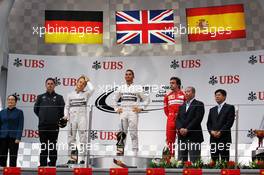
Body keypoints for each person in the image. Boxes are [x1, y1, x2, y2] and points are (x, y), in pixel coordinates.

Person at [113, 69, 150, 155]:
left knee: (133, 133)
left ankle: (135, 153)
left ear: (133, 77)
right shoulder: (121, 87)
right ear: (124, 76)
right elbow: (114, 99)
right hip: (123, 112)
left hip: (133, 112)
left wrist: (141, 108)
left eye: (130, 74)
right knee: (122, 133)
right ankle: (120, 152)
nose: (128, 76)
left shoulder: (138, 87)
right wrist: (116, 109)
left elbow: (147, 99)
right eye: (126, 74)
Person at [34, 78, 65, 167]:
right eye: (48, 83)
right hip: (42, 126)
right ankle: (43, 164)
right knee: (43, 145)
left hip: (54, 126)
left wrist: (55, 119)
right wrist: (43, 118)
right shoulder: (40, 97)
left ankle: (52, 163)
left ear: (54, 85)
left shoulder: (59, 97)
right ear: (45, 85)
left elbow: (62, 111)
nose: (50, 85)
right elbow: (36, 110)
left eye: (52, 83)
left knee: (52, 145)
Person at [64, 75, 94, 164]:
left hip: (82, 119)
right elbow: (66, 107)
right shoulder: (70, 95)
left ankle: (82, 159)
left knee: (83, 139)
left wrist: (88, 81)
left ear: (84, 86)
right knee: (71, 139)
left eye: (83, 83)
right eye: (80, 82)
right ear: (76, 83)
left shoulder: (86, 94)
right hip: (72, 119)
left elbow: (92, 89)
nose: (81, 84)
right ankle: (72, 158)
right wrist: (66, 116)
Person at [176, 86, 205, 162]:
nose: (186, 93)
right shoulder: (181, 106)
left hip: (194, 136)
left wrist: (187, 129)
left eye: (188, 91)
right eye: (185, 92)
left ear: (194, 93)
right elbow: (177, 119)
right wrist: (180, 129)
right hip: (182, 136)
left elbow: (198, 119)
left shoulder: (199, 104)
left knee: (194, 161)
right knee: (181, 161)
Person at [207, 89, 235, 162]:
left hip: (224, 138)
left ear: (224, 97)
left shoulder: (230, 107)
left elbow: (229, 122)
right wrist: (211, 132)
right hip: (213, 138)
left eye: (219, 95)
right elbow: (208, 123)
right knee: (214, 160)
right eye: (215, 95)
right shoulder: (212, 109)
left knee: (224, 160)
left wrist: (221, 132)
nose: (217, 97)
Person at [163, 77, 186, 157]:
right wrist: (171, 116)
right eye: (170, 83)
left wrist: (179, 116)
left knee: (182, 139)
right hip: (170, 119)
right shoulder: (167, 96)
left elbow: (187, 108)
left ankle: (181, 159)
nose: (171, 85)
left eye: (173, 83)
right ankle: (171, 159)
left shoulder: (184, 95)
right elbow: (166, 110)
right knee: (170, 140)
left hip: (181, 120)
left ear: (178, 84)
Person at [0, 94, 24, 167]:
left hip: (14, 138)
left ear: (15, 102)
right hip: (2, 137)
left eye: (12, 100)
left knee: (13, 157)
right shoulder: (2, 112)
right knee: (2, 156)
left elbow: (20, 125)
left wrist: (18, 138)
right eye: (9, 99)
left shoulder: (19, 112)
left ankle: (12, 172)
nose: (10, 101)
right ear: (7, 101)